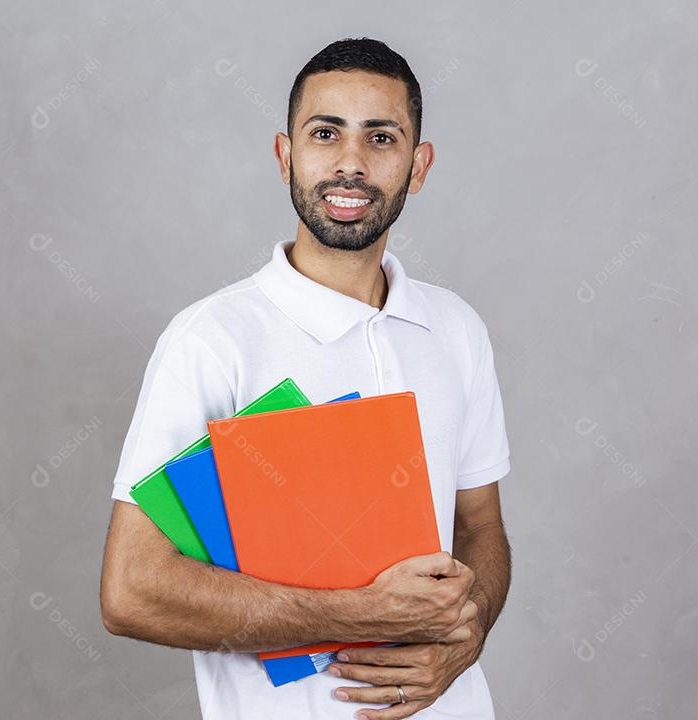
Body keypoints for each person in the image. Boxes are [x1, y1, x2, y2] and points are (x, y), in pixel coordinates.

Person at [99, 37, 512, 720]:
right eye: (326, 134)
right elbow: (132, 591)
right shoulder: (211, 342)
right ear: (285, 155)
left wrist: (465, 635)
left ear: (419, 165)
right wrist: (363, 614)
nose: (351, 164)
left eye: (382, 137)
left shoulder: (456, 329)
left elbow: (480, 527)